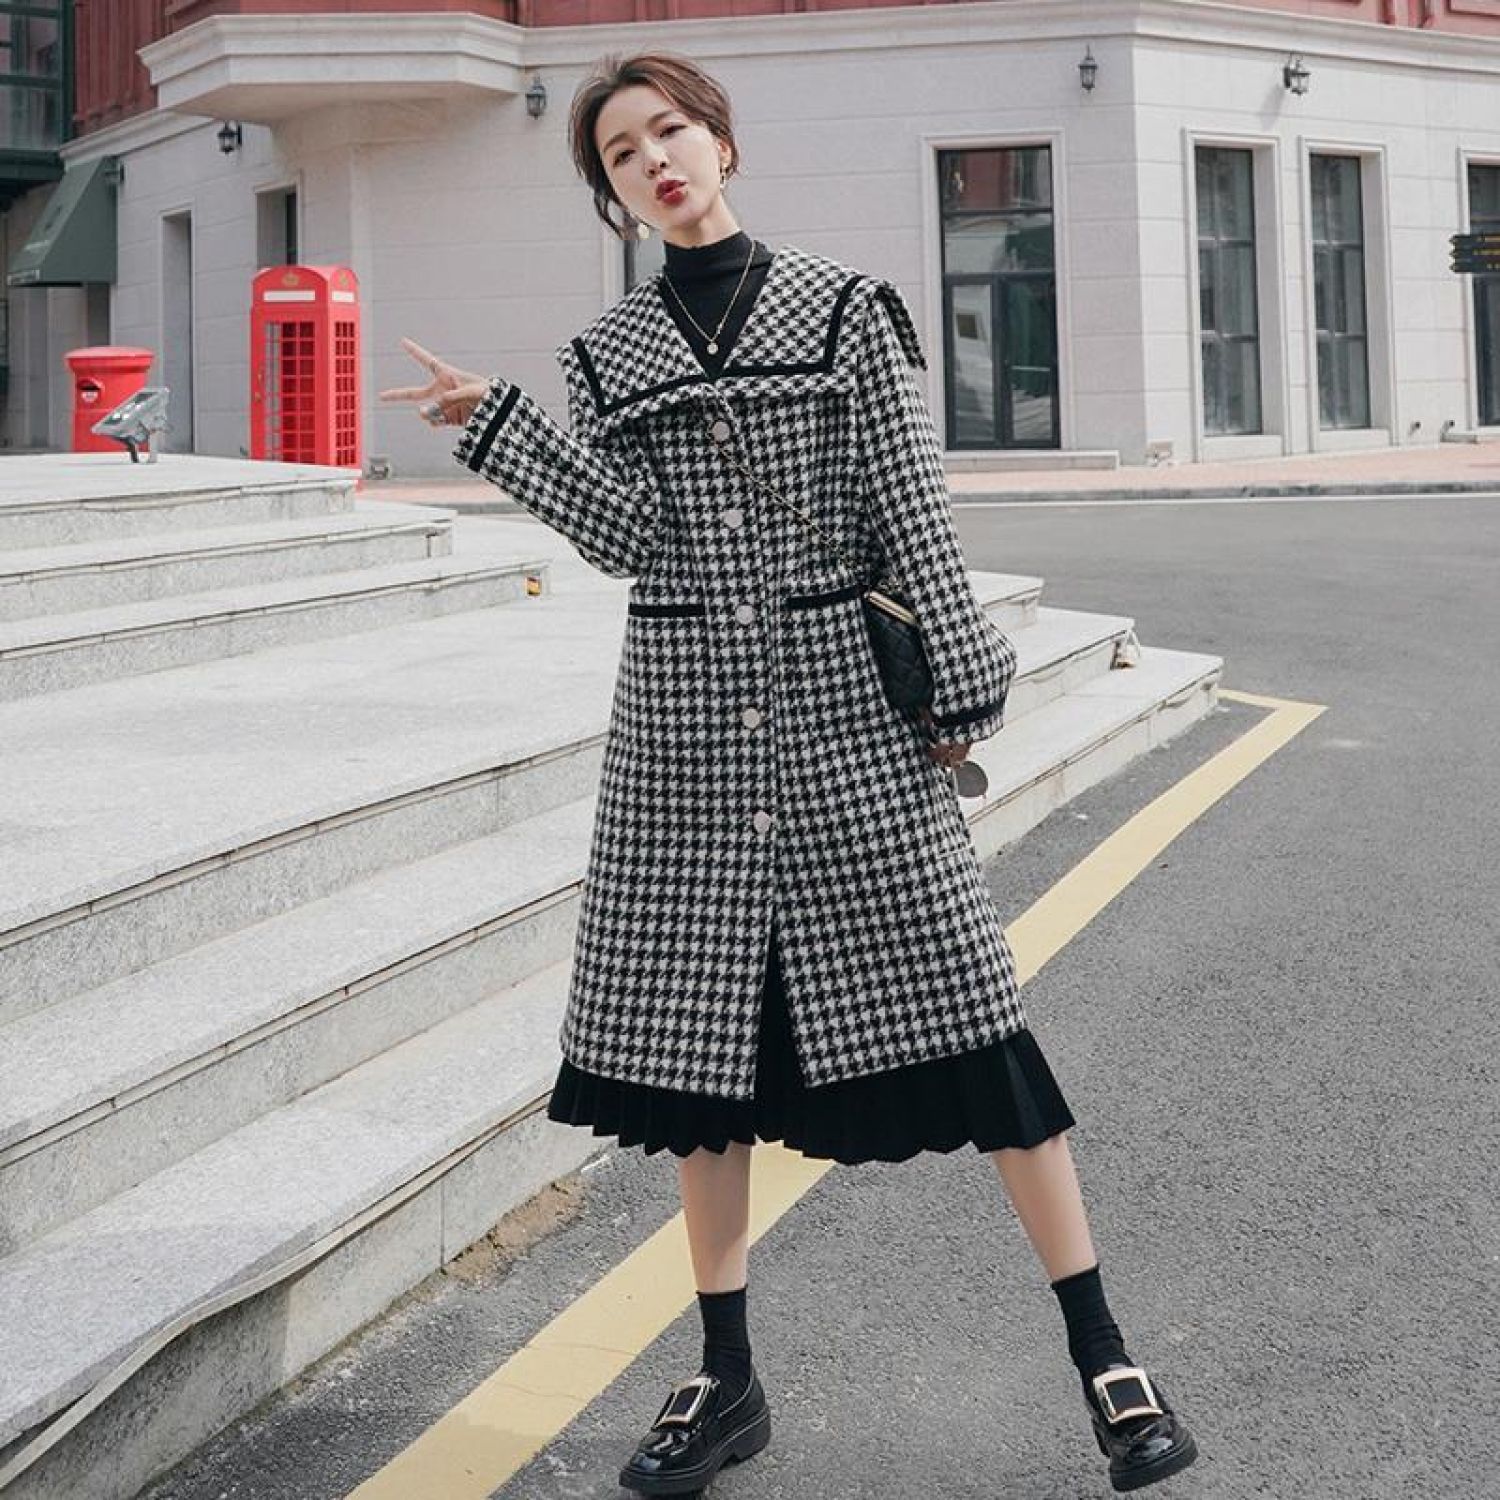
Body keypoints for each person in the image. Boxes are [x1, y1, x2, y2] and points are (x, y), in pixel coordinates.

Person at [380, 49, 1198, 1497]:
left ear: (723, 142)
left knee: (979, 1027)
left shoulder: (842, 308)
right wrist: (502, 428)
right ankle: (725, 1377)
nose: (656, 161)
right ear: (612, 192)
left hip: (845, 716)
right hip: (686, 733)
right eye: (623, 153)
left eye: (672, 132)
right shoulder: (607, 355)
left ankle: (1106, 1355)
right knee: (700, 1073)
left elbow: (910, 506)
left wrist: (964, 674)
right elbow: (630, 538)